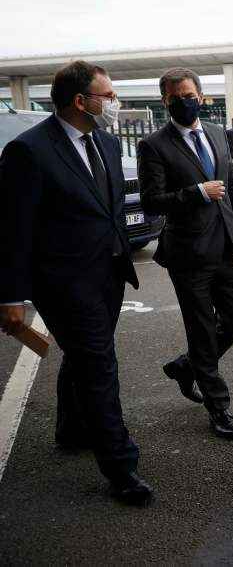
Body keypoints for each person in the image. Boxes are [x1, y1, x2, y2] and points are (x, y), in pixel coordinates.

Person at [0, 60, 150, 505]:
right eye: (108, 95)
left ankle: (71, 428)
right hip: (64, 282)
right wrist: (11, 296)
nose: (114, 103)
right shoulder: (29, 151)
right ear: (81, 101)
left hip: (110, 272)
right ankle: (121, 466)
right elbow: (13, 230)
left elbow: (110, 207)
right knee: (99, 364)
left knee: (85, 357)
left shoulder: (106, 142)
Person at [137, 67, 233, 440]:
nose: (184, 102)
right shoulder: (153, 145)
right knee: (201, 330)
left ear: (200, 96)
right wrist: (198, 192)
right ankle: (218, 407)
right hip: (187, 254)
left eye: (189, 95)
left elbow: (232, 186)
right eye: (175, 97)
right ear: (165, 101)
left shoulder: (217, 133)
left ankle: (187, 367)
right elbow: (152, 201)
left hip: (225, 247)